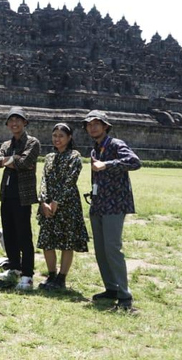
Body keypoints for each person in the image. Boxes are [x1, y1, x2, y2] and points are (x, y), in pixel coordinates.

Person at [83, 110, 141, 310]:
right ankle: (111, 288)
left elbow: (135, 162)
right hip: (99, 204)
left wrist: (106, 164)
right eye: (89, 124)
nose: (93, 127)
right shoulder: (94, 149)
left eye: (97, 123)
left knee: (112, 248)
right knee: (101, 250)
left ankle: (125, 296)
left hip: (115, 204)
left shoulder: (116, 144)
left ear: (105, 126)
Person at [0, 107, 40, 290]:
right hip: (7, 194)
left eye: (18, 120)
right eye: (11, 121)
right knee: (9, 233)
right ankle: (14, 267)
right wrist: (14, 160)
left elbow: (26, 162)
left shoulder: (32, 142)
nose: (14, 123)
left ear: (25, 122)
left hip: (23, 195)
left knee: (23, 235)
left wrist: (10, 161)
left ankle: (27, 274)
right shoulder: (7, 144)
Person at [37, 123, 89, 291]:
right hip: (48, 204)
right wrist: (43, 201)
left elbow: (70, 180)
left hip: (68, 205)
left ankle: (61, 278)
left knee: (67, 242)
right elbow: (43, 179)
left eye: (61, 136)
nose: (57, 139)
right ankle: (51, 275)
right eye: (55, 135)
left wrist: (57, 201)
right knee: (47, 240)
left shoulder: (75, 156)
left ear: (69, 138)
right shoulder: (50, 157)